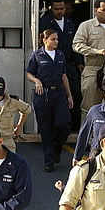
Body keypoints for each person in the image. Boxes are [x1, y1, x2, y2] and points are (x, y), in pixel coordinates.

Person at [26, 28, 74, 171]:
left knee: (63, 124)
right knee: (46, 129)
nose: (56, 42)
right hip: (43, 94)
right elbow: (29, 73)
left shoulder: (60, 55)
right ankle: (49, 160)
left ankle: (56, 149)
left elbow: (64, 76)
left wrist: (69, 95)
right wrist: (36, 81)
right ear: (45, 40)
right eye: (53, 39)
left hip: (58, 93)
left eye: (57, 39)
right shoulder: (37, 55)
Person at [39, 0, 83, 127]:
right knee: (55, 94)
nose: (59, 11)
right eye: (56, 9)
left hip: (69, 64)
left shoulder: (70, 23)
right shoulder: (45, 22)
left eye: (62, 8)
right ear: (51, 8)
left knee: (75, 92)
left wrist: (79, 62)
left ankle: (73, 124)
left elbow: (75, 44)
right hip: (52, 64)